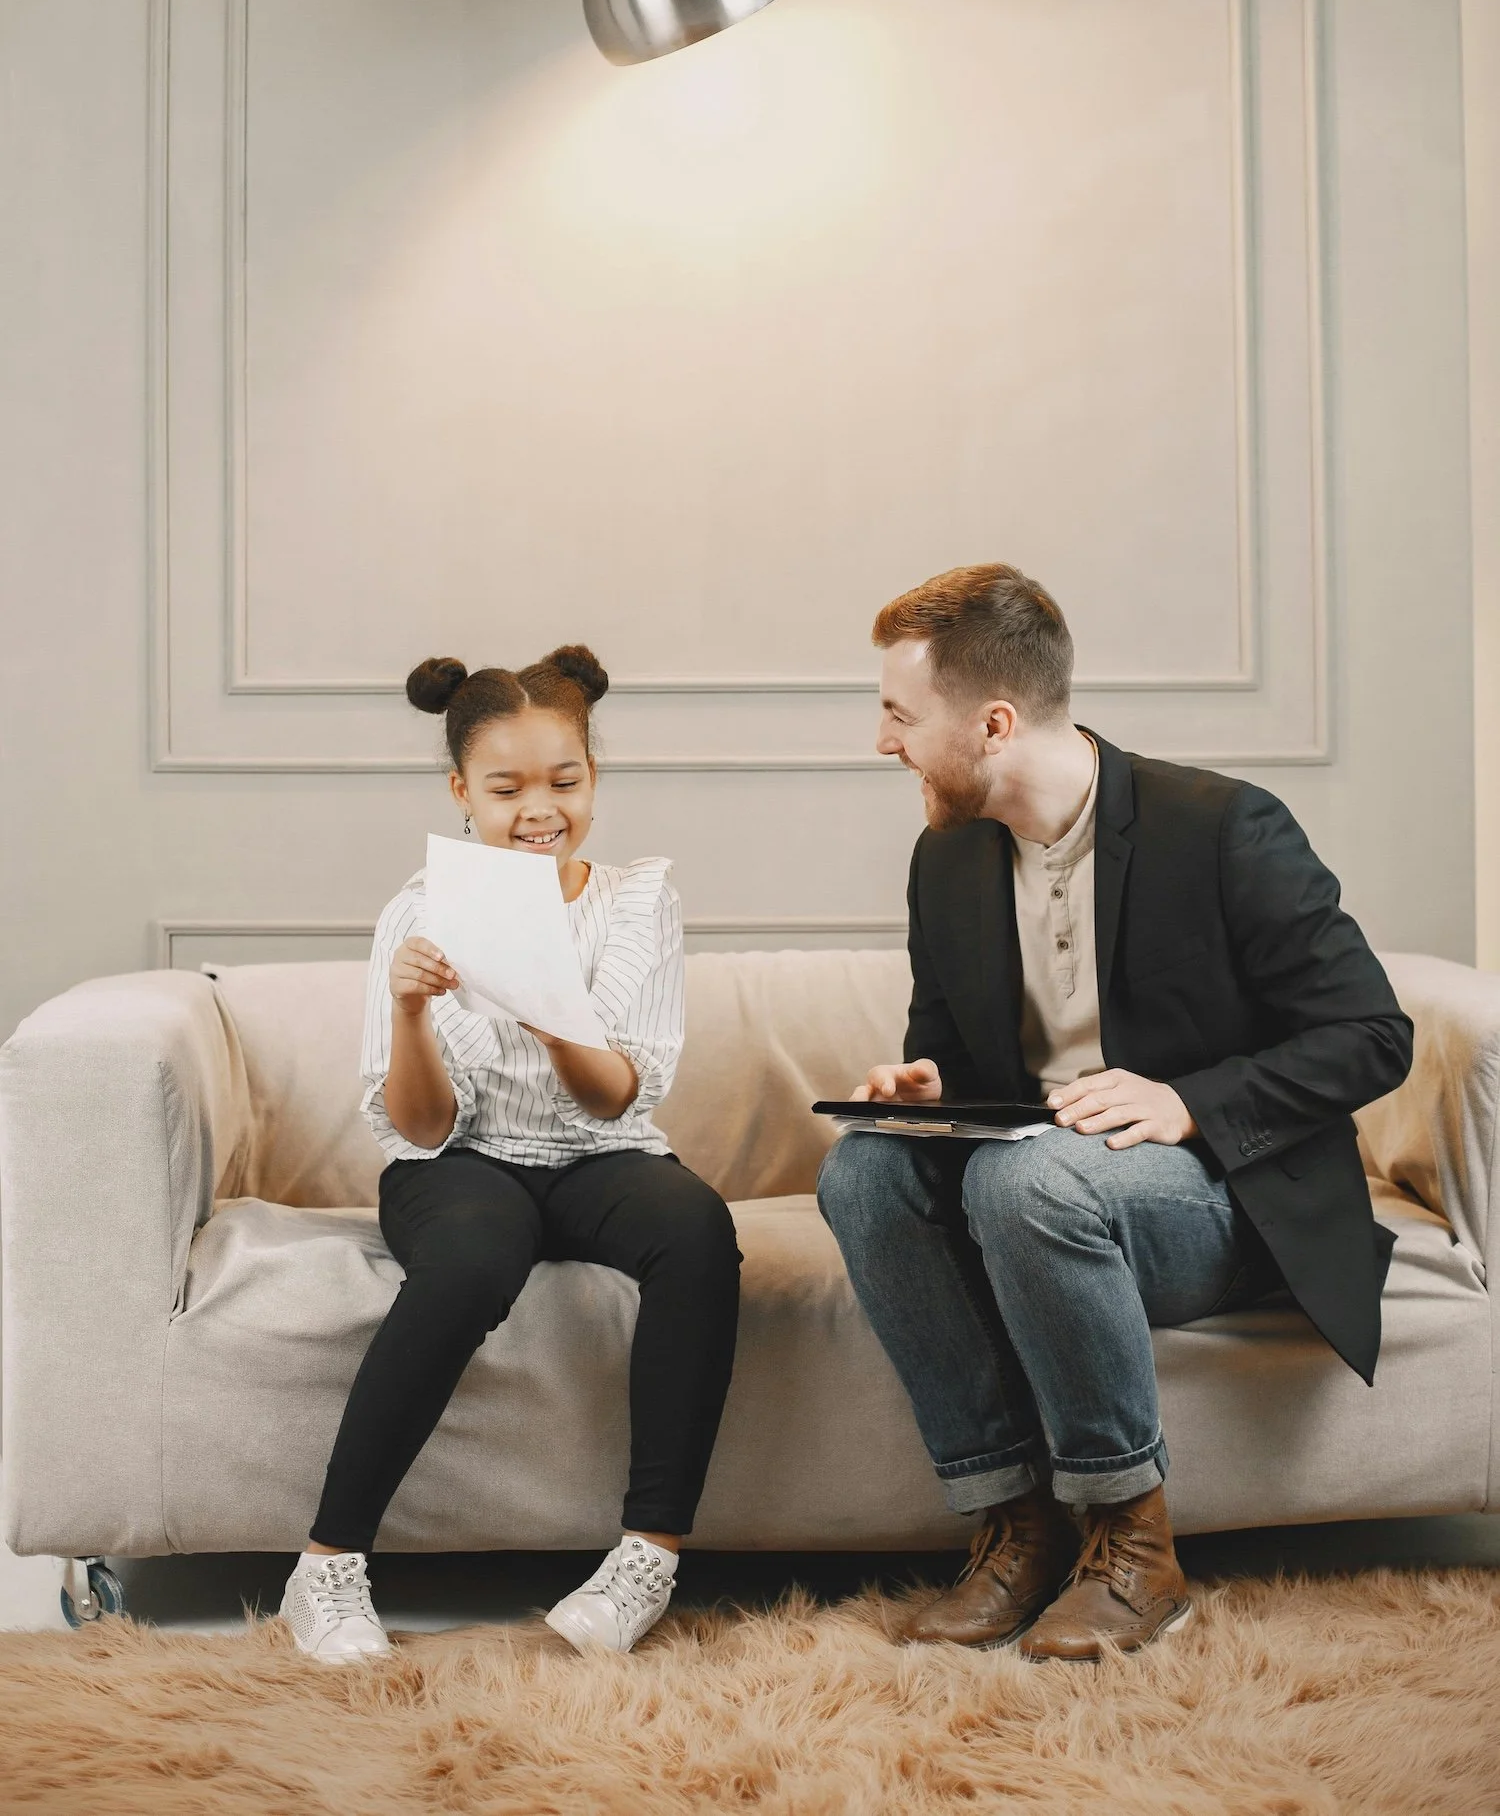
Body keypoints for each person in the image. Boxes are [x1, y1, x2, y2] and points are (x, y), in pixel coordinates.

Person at [817, 565, 1412, 1662]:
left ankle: (1137, 1548)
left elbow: (1374, 1035)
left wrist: (1188, 1101)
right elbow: (954, 1045)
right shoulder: (945, 857)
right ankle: (1017, 1527)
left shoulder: (1224, 827)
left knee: (1022, 1177)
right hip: (1043, 1178)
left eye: (900, 715)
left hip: (1223, 1201)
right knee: (859, 1170)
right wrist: (929, 1087)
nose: (883, 742)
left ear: (993, 723)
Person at [279, 646, 742, 1664]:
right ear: (460, 793)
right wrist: (409, 1010)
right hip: (465, 1162)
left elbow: (616, 1091)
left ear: (592, 779)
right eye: (508, 788)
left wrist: (542, 1000)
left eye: (565, 781)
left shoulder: (635, 904)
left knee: (698, 1230)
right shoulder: (418, 913)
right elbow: (423, 1128)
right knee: (473, 1259)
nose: (541, 808)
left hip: (599, 1149)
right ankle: (326, 1568)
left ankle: (644, 1559)